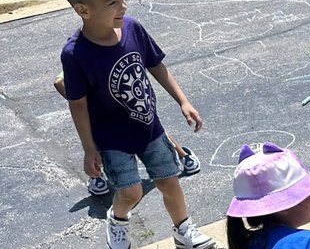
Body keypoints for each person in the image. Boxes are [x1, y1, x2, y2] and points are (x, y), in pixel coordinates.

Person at [59, 0, 216, 249]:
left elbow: (155, 65)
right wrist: (88, 149)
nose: (123, 6)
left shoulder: (132, 28)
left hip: (149, 127)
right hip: (112, 138)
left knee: (169, 181)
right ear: (83, 10)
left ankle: (184, 231)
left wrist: (183, 100)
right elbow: (77, 104)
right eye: (112, 2)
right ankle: (118, 219)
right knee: (131, 192)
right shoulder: (75, 53)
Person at [53, 71, 201, 197]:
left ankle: (96, 179)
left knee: (100, 143)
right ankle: (185, 157)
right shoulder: (103, 50)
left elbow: (59, 82)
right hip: (129, 105)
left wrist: (80, 102)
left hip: (102, 114)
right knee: (152, 134)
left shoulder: (79, 55)